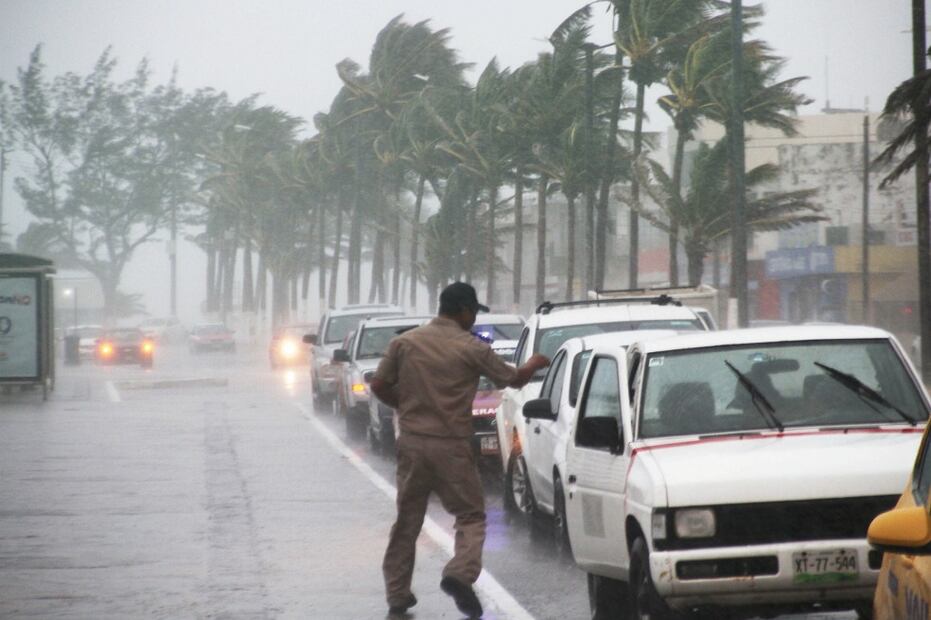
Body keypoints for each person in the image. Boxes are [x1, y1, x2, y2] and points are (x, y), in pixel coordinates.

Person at [370, 282, 550, 618]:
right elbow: (513, 380)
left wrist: (406, 408)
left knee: (407, 521)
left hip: (411, 443)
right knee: (469, 515)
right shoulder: (471, 348)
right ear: (464, 310)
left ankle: (397, 595)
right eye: (472, 313)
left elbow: (378, 384)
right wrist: (534, 363)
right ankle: (459, 573)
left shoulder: (405, 342)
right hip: (450, 445)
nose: (472, 320)